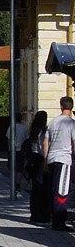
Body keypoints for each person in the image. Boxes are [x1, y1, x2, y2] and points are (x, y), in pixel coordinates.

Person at [43, 97, 75, 231]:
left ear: (61, 106)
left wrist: (45, 159)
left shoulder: (53, 122)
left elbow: (45, 142)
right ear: (72, 107)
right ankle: (59, 222)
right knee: (62, 191)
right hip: (64, 159)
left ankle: (53, 217)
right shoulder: (71, 124)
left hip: (51, 159)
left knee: (53, 189)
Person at [26, 111, 49, 223]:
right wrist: (46, 161)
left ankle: (34, 214)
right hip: (40, 160)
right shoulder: (44, 131)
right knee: (42, 188)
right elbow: (42, 147)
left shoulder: (33, 130)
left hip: (33, 159)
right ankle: (41, 214)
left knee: (35, 189)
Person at [7, 113, 29, 194]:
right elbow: (27, 139)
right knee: (20, 168)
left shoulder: (11, 127)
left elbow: (8, 139)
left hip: (12, 150)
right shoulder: (25, 128)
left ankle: (13, 182)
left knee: (12, 167)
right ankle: (18, 184)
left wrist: (9, 149)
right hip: (21, 150)